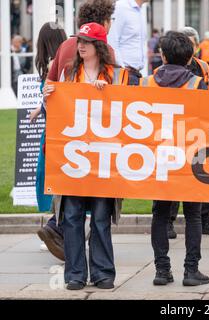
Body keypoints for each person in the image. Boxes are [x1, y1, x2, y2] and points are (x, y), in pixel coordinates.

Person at [43, 22, 129, 291]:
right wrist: (48, 96)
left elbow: (132, 110)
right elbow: (56, 108)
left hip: (103, 159)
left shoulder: (118, 75)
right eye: (79, 40)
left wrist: (111, 94)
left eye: (87, 42)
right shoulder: (69, 72)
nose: (80, 45)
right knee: (71, 216)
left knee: (102, 216)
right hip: (74, 157)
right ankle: (75, 274)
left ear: (99, 46)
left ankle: (103, 273)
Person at [36, 0, 116, 262]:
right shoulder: (100, 55)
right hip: (91, 141)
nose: (81, 46)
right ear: (103, 23)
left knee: (72, 198)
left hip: (69, 138)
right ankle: (83, 256)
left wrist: (44, 102)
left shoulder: (65, 48)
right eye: (110, 20)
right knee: (91, 202)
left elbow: (50, 84)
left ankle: (63, 234)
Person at [139, 31, 209, 287]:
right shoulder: (196, 83)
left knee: (159, 213)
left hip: (158, 158)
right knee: (193, 215)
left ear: (162, 55)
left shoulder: (145, 83)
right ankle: (191, 271)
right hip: (188, 158)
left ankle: (162, 269)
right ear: (190, 57)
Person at [166, 27, 209, 239]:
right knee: (173, 178)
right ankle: (169, 221)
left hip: (200, 131)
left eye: (190, 45)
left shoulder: (203, 68)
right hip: (175, 133)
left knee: (204, 175)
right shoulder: (168, 69)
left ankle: (205, 217)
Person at [30, 23, 67, 261]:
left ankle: (57, 229)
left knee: (52, 180)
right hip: (59, 129)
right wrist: (38, 108)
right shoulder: (62, 63)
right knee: (56, 181)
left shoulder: (54, 65)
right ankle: (57, 229)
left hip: (54, 131)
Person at [108, 0, 149, 82]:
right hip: (123, 73)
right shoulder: (120, 7)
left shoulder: (140, 10)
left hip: (136, 74)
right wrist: (122, 68)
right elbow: (111, 40)